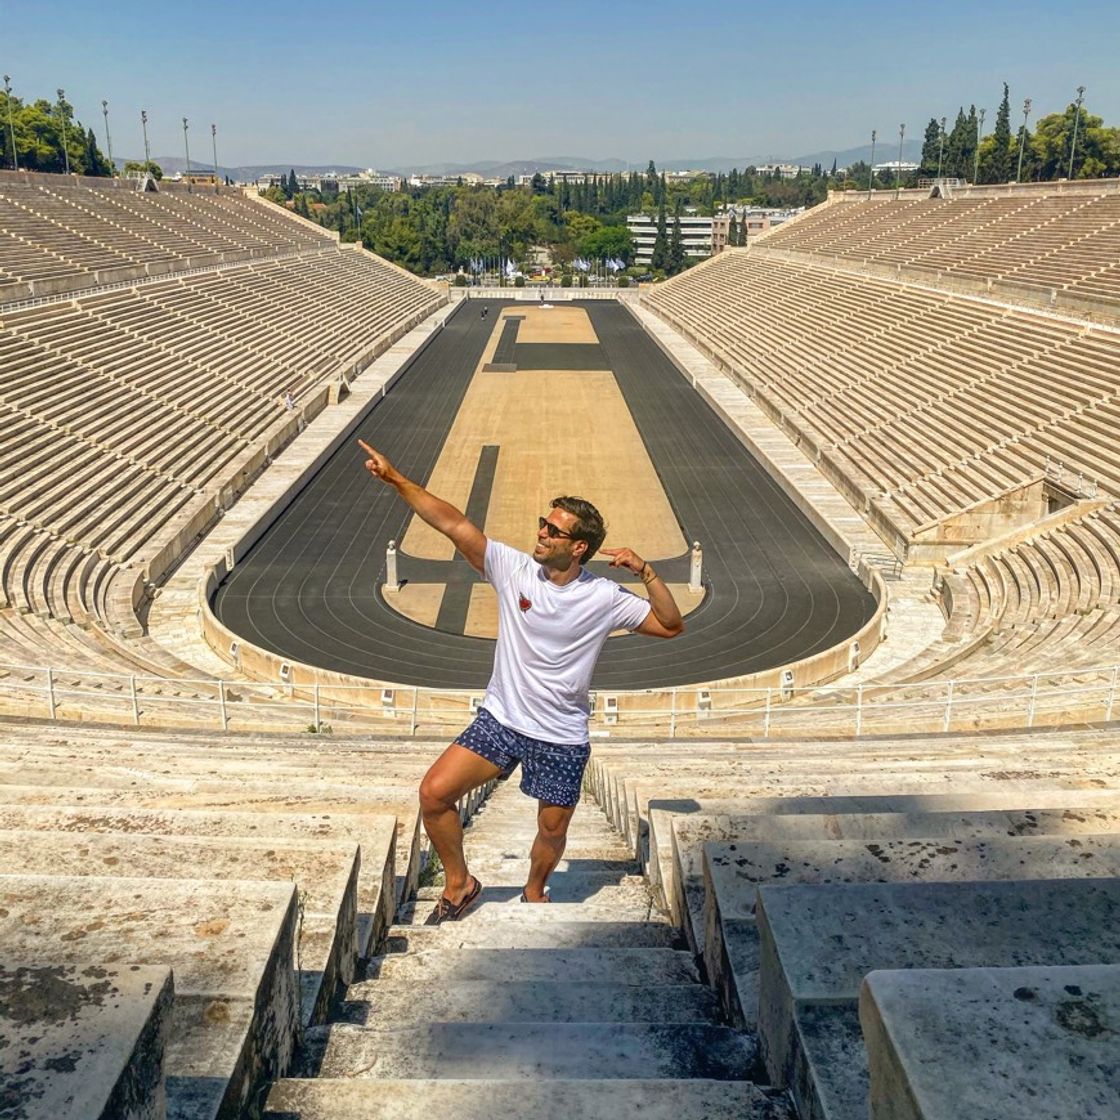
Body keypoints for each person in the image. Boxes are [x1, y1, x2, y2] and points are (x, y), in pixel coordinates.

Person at [357, 438, 684, 922]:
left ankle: (535, 889)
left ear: (579, 547)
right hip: (503, 718)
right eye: (543, 523)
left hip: (561, 734)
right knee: (434, 794)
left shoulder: (605, 597)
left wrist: (647, 571)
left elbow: (671, 624)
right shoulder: (515, 570)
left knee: (551, 831)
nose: (542, 532)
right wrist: (396, 479)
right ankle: (459, 883)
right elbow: (453, 524)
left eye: (554, 529)